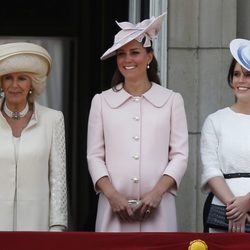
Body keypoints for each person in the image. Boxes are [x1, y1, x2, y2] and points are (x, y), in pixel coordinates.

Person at [87, 13, 188, 232]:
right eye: (121, 54)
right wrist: (112, 196)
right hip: (112, 210)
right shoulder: (102, 101)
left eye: (135, 52)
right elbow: (94, 156)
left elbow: (179, 155)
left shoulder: (172, 100)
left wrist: (157, 193)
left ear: (149, 57)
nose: (127, 60)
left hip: (159, 209)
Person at [0, 42, 67, 231]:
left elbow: (58, 179)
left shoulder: (53, 119)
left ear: (32, 84)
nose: (14, 85)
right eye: (8, 78)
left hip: (37, 226)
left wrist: (57, 226)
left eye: (22, 78)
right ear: (1, 83)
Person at [201, 38, 250, 233]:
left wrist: (246, 203)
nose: (241, 80)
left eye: (248, 74)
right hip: (223, 212)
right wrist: (234, 207)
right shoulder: (215, 120)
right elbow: (211, 170)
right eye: (236, 74)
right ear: (231, 79)